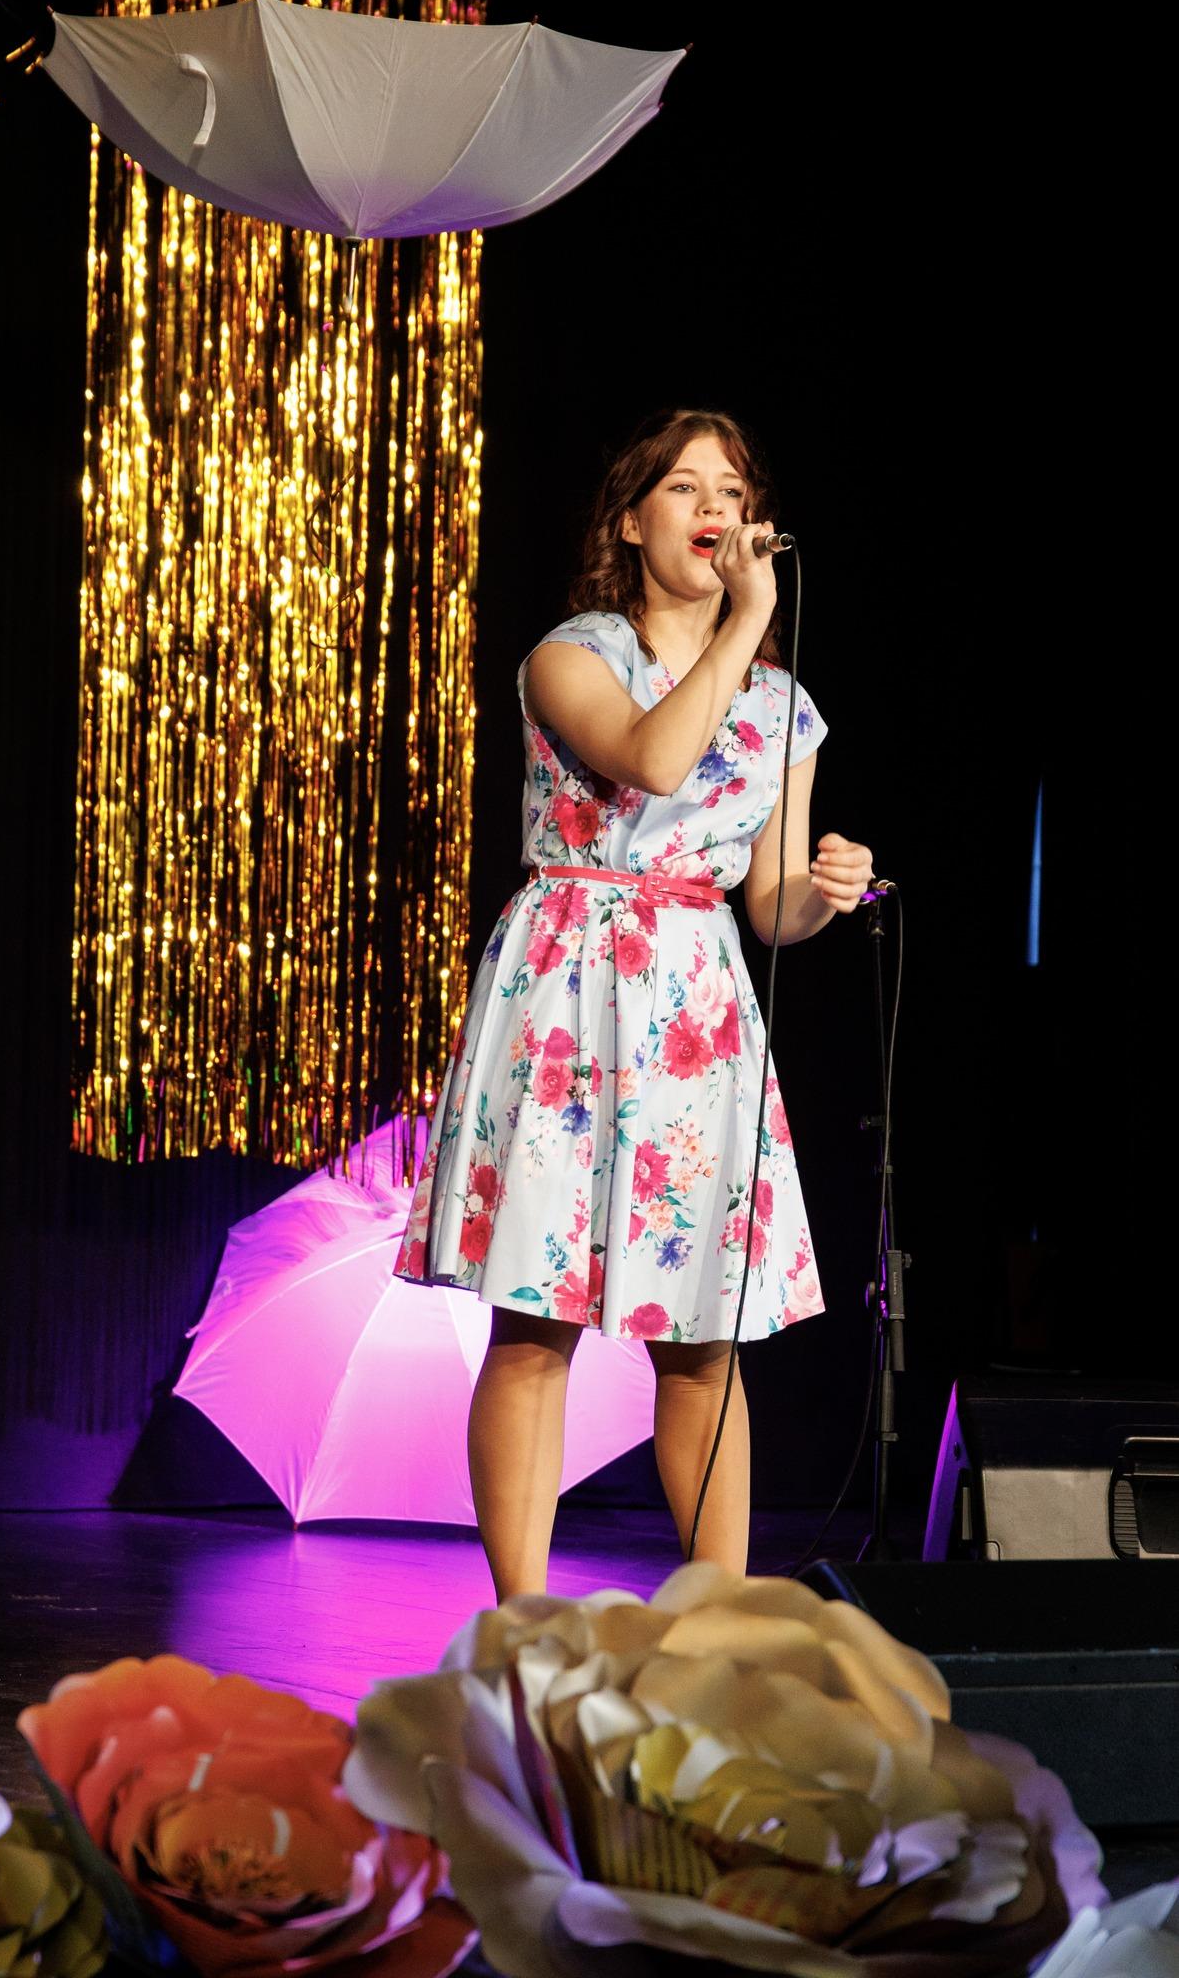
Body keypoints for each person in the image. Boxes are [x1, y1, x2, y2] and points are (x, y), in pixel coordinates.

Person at [394, 407, 873, 1600]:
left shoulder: (784, 707)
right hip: (567, 985)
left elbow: (768, 904)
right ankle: (524, 1616)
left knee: (705, 1336)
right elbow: (653, 759)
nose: (715, 509)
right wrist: (746, 619)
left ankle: (717, 1617)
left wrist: (822, 893)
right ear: (630, 519)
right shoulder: (572, 657)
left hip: (697, 1002)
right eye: (686, 487)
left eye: (734, 492)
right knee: (534, 1320)